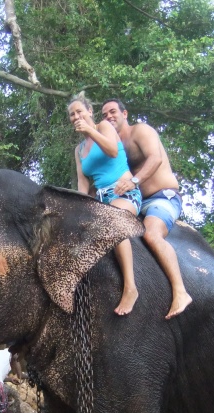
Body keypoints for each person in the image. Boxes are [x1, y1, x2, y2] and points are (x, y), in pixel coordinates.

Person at [101, 98, 193, 319]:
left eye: (113, 112)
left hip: (162, 197)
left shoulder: (140, 131)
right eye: (104, 115)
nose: (109, 117)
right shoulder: (113, 145)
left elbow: (156, 158)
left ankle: (181, 291)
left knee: (152, 235)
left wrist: (134, 181)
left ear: (125, 113)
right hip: (137, 203)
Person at [69, 91, 143, 316]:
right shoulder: (79, 150)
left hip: (124, 193)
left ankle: (131, 287)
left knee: (112, 221)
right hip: (100, 199)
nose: (75, 117)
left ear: (89, 111)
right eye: (71, 115)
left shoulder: (103, 127)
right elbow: (83, 183)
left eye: (79, 111)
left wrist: (90, 130)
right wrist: (79, 209)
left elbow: (112, 150)